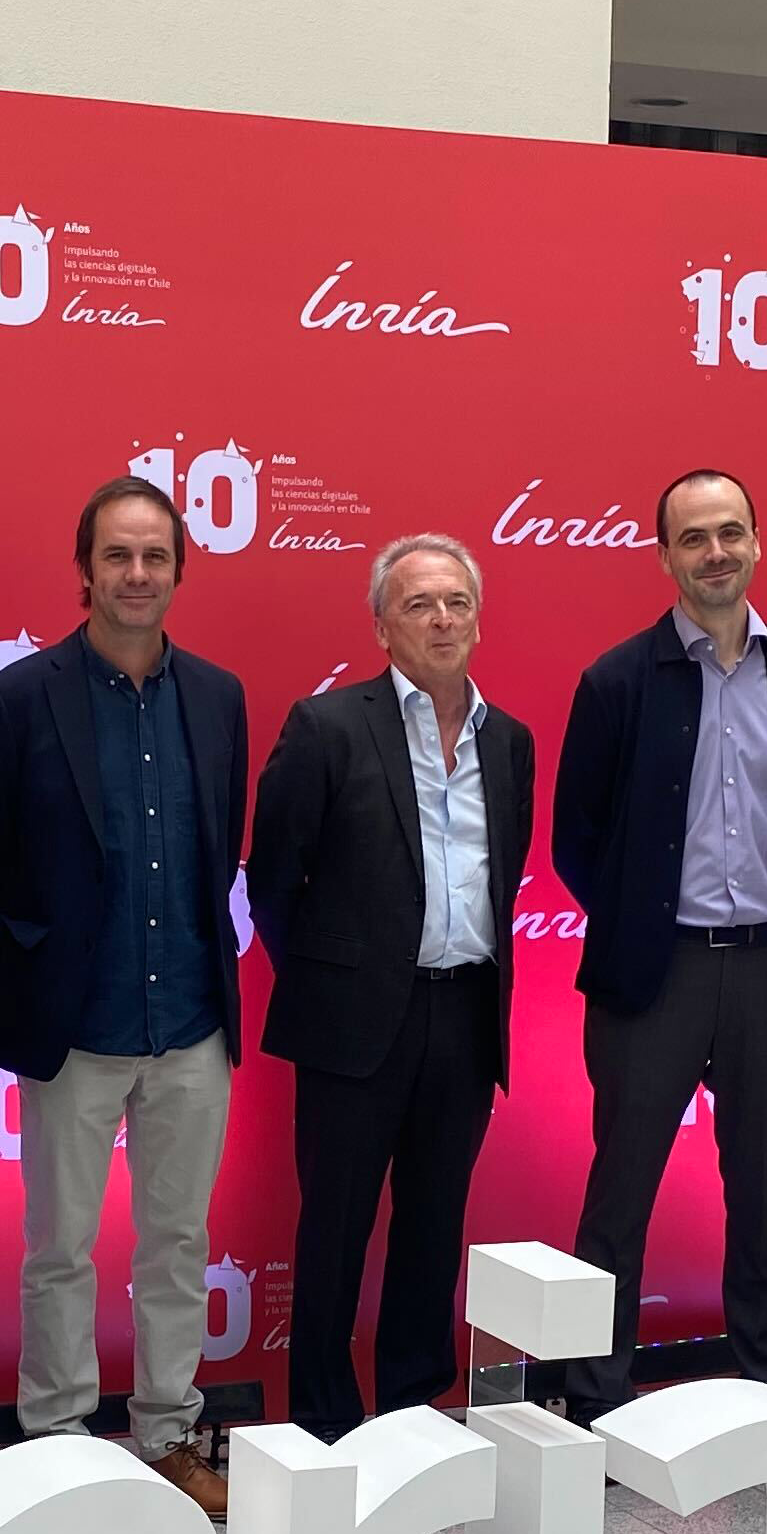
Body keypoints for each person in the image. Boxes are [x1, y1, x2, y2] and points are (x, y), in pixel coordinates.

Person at [0, 479, 249, 1514]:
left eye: (155, 557)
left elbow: (224, 841)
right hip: (70, 1022)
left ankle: (170, 1431)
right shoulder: (17, 697)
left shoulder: (218, 697)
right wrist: (29, 956)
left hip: (188, 1018)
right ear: (83, 569)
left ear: (180, 569)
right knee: (59, 1248)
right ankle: (55, 1440)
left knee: (178, 1241)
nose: (137, 574)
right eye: (117, 556)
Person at [546, 469, 767, 1419]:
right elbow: (577, 837)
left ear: (757, 542)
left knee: (763, 1186)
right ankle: (591, 1398)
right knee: (620, 1189)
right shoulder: (616, 680)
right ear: (664, 555)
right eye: (693, 538)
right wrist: (640, 925)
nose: (715, 552)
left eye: (731, 533)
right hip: (654, 973)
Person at [249, 535, 535, 1438]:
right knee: (332, 1231)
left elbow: (505, 870)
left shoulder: (512, 742)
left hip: (465, 1008)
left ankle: (416, 1415)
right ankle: (324, 1428)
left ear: (479, 618)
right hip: (352, 1023)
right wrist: (337, 980)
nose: (441, 618)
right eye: (418, 604)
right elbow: (273, 880)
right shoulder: (328, 725)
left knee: (433, 1223)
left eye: (455, 602)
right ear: (381, 624)